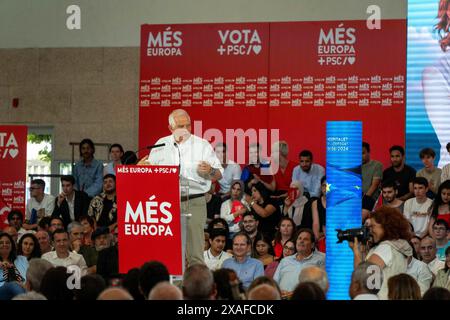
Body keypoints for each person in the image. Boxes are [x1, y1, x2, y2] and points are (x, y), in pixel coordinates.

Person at [145, 109, 223, 266]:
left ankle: (196, 289)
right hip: (166, 204)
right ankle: (173, 289)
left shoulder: (202, 145)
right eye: (181, 126)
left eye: (189, 125)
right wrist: (141, 168)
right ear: (170, 128)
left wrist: (210, 171)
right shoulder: (161, 145)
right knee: (170, 252)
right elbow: (149, 174)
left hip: (194, 201)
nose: (186, 129)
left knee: (195, 253)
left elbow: (219, 174)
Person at [350, 206, 413, 300]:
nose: (370, 230)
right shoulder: (397, 247)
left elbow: (363, 276)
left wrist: (355, 251)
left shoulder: (385, 248)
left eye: (373, 226)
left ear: (386, 226)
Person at [273, 228, 325, 297]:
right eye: (299, 238)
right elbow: (274, 282)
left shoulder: (320, 259)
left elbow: (321, 285)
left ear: (312, 245)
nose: (301, 241)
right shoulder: (285, 260)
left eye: (305, 239)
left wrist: (294, 294)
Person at [362, 142, 383, 212]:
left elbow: (374, 185)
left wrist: (364, 199)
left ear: (369, 152)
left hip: (370, 198)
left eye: (363, 153)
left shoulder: (377, 165)